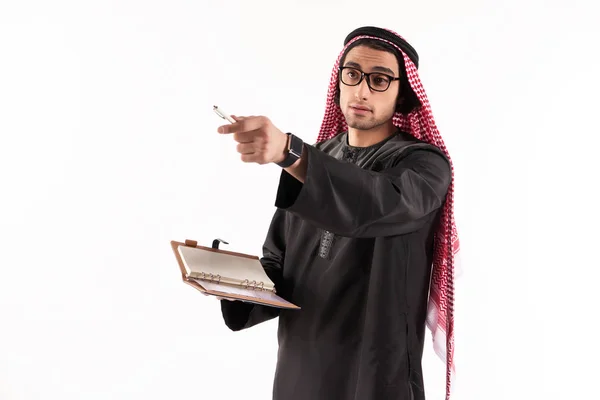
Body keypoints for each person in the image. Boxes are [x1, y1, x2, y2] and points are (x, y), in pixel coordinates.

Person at [215, 26, 460, 400]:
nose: (361, 90)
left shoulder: (425, 167)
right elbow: (279, 265)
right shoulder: (319, 157)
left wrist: (289, 152)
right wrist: (230, 282)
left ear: (403, 95)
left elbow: (376, 202)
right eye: (353, 75)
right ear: (339, 81)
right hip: (299, 371)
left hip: (373, 376)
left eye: (379, 80)